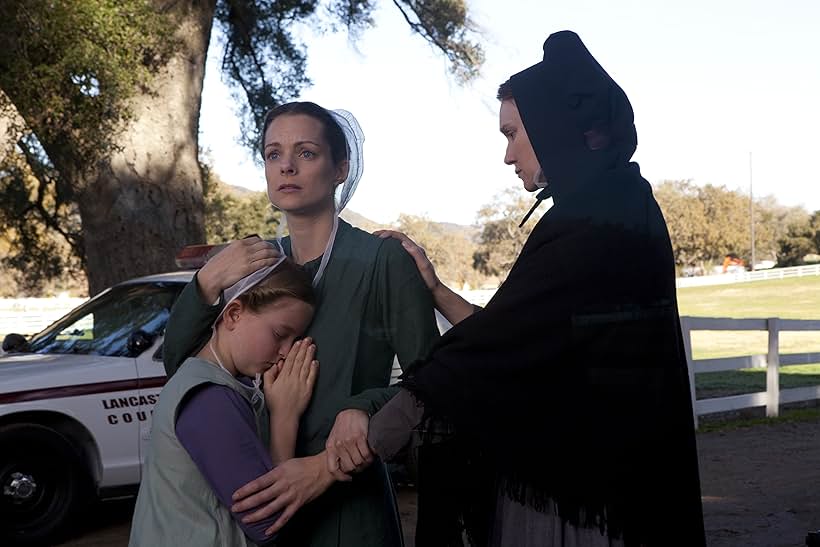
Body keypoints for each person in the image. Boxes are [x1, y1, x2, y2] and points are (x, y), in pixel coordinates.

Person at [364, 30, 706, 546]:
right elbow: (524, 333)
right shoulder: (619, 201)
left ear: (551, 126)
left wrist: (346, 455)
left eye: (511, 133)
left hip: (582, 500)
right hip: (604, 484)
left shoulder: (593, 220)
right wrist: (435, 287)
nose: (507, 156)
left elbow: (493, 351)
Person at [162, 102, 440, 546]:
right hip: (262, 502)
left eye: (306, 153)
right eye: (273, 154)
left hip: (348, 511)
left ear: (340, 168)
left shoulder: (382, 261)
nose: (286, 166)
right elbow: (182, 370)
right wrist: (208, 280)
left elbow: (435, 383)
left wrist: (365, 404)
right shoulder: (254, 262)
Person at [129, 257, 317, 546]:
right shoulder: (209, 398)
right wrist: (285, 417)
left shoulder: (206, 380)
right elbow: (267, 521)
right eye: (280, 334)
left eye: (296, 339)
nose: (286, 352)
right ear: (233, 315)